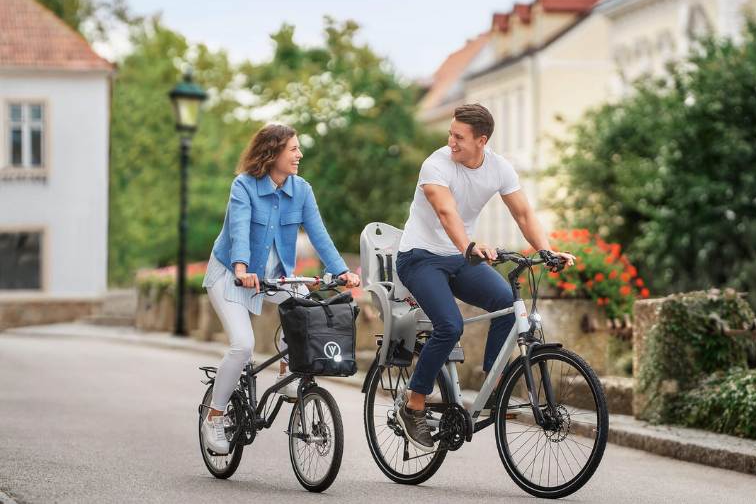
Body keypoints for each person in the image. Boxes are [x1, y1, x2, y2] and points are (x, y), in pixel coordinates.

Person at [394, 103, 575, 451]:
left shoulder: (499, 168)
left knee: (507, 302)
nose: (451, 142)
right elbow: (447, 214)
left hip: (461, 257)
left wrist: (547, 250)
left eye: (459, 137)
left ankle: (493, 387)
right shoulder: (435, 165)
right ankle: (414, 403)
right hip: (420, 257)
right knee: (450, 326)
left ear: (482, 140)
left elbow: (523, 213)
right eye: (450, 133)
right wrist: (469, 246)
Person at [200, 123, 360, 454]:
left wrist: (342, 271)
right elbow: (239, 229)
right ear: (272, 152)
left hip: (273, 277)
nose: (300, 154)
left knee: (306, 310)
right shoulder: (243, 186)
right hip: (231, 274)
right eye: (293, 149)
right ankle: (215, 416)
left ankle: (287, 373)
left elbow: (319, 234)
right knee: (243, 346)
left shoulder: (301, 190)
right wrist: (242, 268)